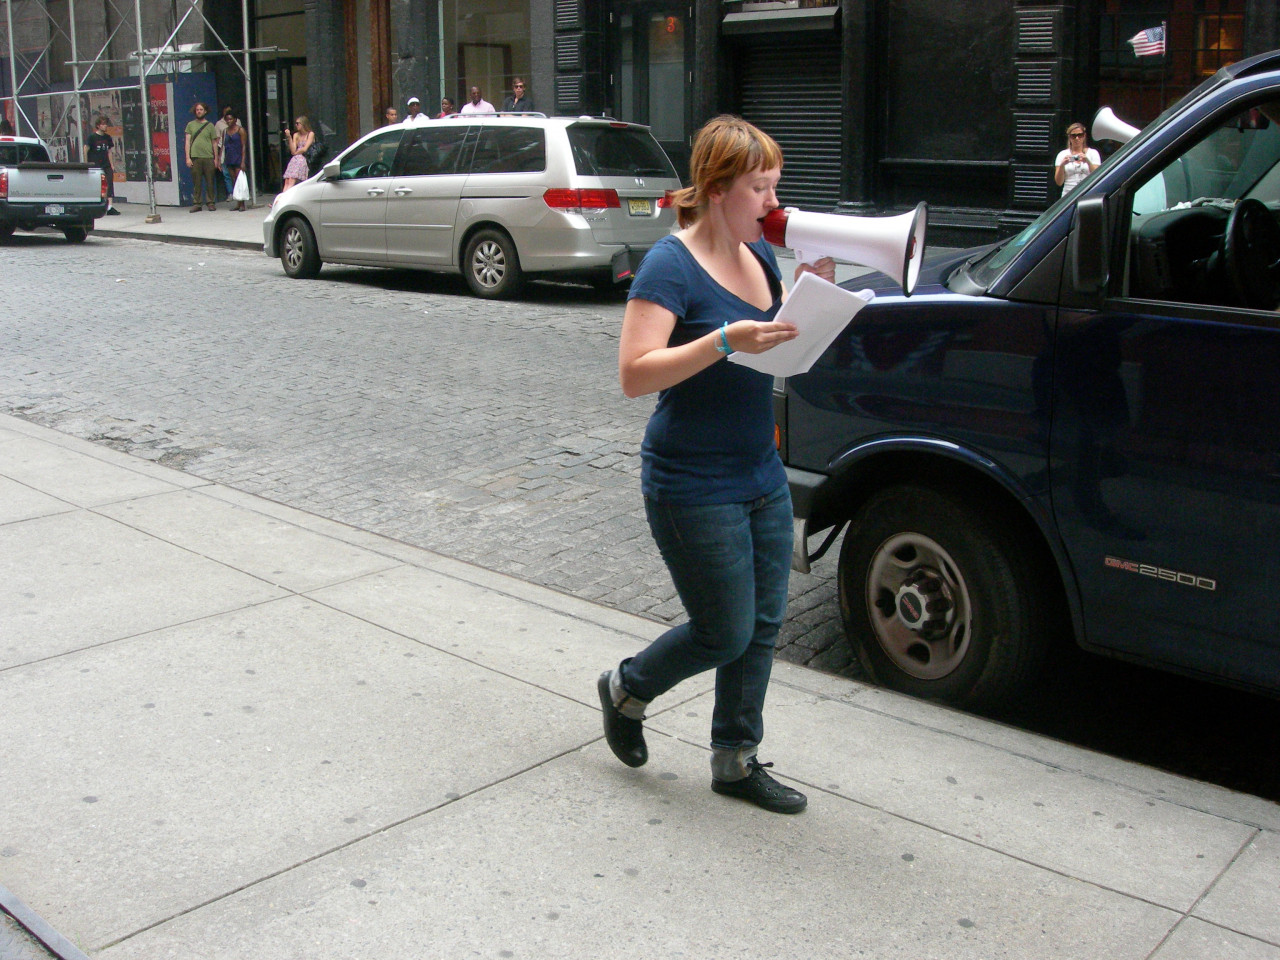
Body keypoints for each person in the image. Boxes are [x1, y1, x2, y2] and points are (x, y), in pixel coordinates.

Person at [596, 115, 835, 815]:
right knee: (722, 629)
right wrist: (726, 339)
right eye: (759, 188)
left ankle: (735, 759)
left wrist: (807, 302)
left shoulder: (758, 256)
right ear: (718, 187)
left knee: (762, 625)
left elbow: (770, 345)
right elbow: (636, 374)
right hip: (691, 480)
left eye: (774, 187)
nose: (772, 202)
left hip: (759, 470)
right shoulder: (671, 265)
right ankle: (626, 688)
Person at [185, 102, 219, 212]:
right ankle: (197, 203)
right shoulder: (190, 125)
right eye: (197, 110)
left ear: (205, 111)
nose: (199, 111)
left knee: (210, 181)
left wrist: (216, 159)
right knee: (197, 182)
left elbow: (214, 143)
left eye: (201, 109)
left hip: (208, 157)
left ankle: (210, 202)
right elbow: (187, 142)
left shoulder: (210, 126)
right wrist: (188, 158)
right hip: (195, 157)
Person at [85, 115, 120, 215]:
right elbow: (86, 149)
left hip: (106, 164)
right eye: (103, 124)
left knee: (109, 183)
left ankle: (109, 207)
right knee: (98, 185)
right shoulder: (92, 137)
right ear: (98, 125)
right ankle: (97, 205)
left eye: (106, 124)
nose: (105, 126)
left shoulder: (107, 137)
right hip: (96, 165)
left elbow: (109, 151)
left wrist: (112, 164)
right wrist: (87, 163)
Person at [1054, 122, 1100, 197]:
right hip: (1068, 194)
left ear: (1084, 136)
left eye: (1080, 135)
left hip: (1088, 193)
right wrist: (1062, 165)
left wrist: (1088, 162)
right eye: (1073, 136)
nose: (1077, 138)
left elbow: (1097, 176)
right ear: (1069, 137)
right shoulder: (1062, 154)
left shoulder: (1093, 153)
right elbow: (1059, 182)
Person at [220, 112, 247, 211]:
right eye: (227, 119)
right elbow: (223, 146)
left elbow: (244, 146)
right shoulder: (225, 131)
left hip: (238, 157)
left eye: (230, 119)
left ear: (235, 119)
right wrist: (220, 160)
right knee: (234, 181)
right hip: (229, 157)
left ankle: (242, 203)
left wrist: (243, 161)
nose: (229, 121)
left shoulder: (240, 130)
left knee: (240, 180)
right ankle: (238, 203)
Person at [282, 115, 314, 191]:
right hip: (296, 159)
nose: (296, 125)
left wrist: (296, 153)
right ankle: (281, 199)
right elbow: (293, 150)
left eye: (298, 123)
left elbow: (305, 148)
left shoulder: (310, 134)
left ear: (303, 124)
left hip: (304, 158)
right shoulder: (296, 135)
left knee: (292, 180)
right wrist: (289, 137)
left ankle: (284, 199)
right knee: (287, 180)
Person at [214, 106, 234, 197]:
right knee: (226, 173)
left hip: (235, 151)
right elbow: (218, 141)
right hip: (224, 151)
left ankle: (239, 193)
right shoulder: (219, 124)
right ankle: (230, 193)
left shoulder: (237, 122)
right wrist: (218, 157)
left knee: (237, 173)